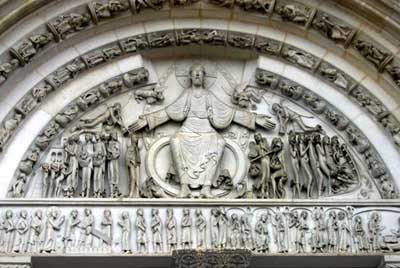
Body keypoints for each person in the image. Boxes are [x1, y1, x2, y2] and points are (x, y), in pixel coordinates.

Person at [129, 64, 275, 198]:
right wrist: (147, 120)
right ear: (190, 77)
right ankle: (184, 186)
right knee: (176, 140)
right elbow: (169, 112)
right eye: (195, 73)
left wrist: (254, 119)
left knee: (219, 141)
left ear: (204, 77)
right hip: (188, 127)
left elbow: (229, 112)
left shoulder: (208, 96)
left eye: (200, 73)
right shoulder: (187, 94)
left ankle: (206, 187)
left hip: (206, 128)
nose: (198, 75)